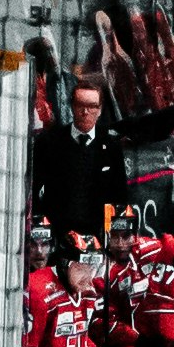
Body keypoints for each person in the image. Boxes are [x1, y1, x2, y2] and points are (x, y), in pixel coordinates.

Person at [30, 79, 130, 248]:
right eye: (80, 105)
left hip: (97, 236)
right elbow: (33, 190)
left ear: (99, 110)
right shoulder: (50, 142)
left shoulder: (111, 146)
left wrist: (114, 237)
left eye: (92, 106)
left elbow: (120, 195)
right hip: (57, 236)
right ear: (72, 106)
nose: (85, 111)